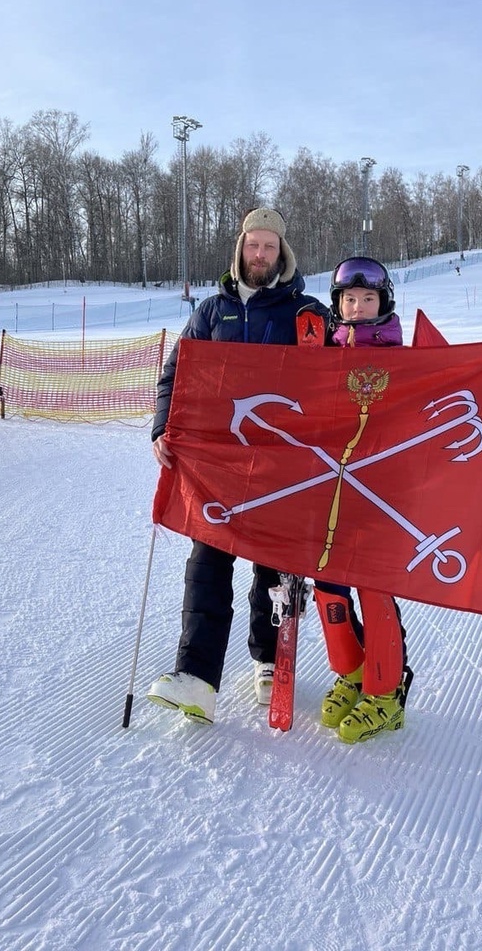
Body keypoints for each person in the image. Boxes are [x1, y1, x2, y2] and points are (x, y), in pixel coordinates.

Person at [147, 208, 330, 725]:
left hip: (281, 463)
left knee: (271, 563)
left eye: (270, 247)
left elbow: (345, 368)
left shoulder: (307, 313)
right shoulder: (210, 312)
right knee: (208, 562)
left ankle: (269, 658)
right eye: (253, 245)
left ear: (283, 253)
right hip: (219, 464)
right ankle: (198, 678)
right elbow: (176, 374)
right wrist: (164, 429)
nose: (260, 255)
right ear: (240, 249)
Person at [312, 257, 413, 744]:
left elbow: (461, 385)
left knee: (374, 588)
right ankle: (351, 673)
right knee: (327, 585)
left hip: (382, 494)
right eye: (348, 300)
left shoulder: (408, 360)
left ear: (383, 302)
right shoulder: (320, 358)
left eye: (367, 299)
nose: (356, 308)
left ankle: (386, 691)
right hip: (330, 493)